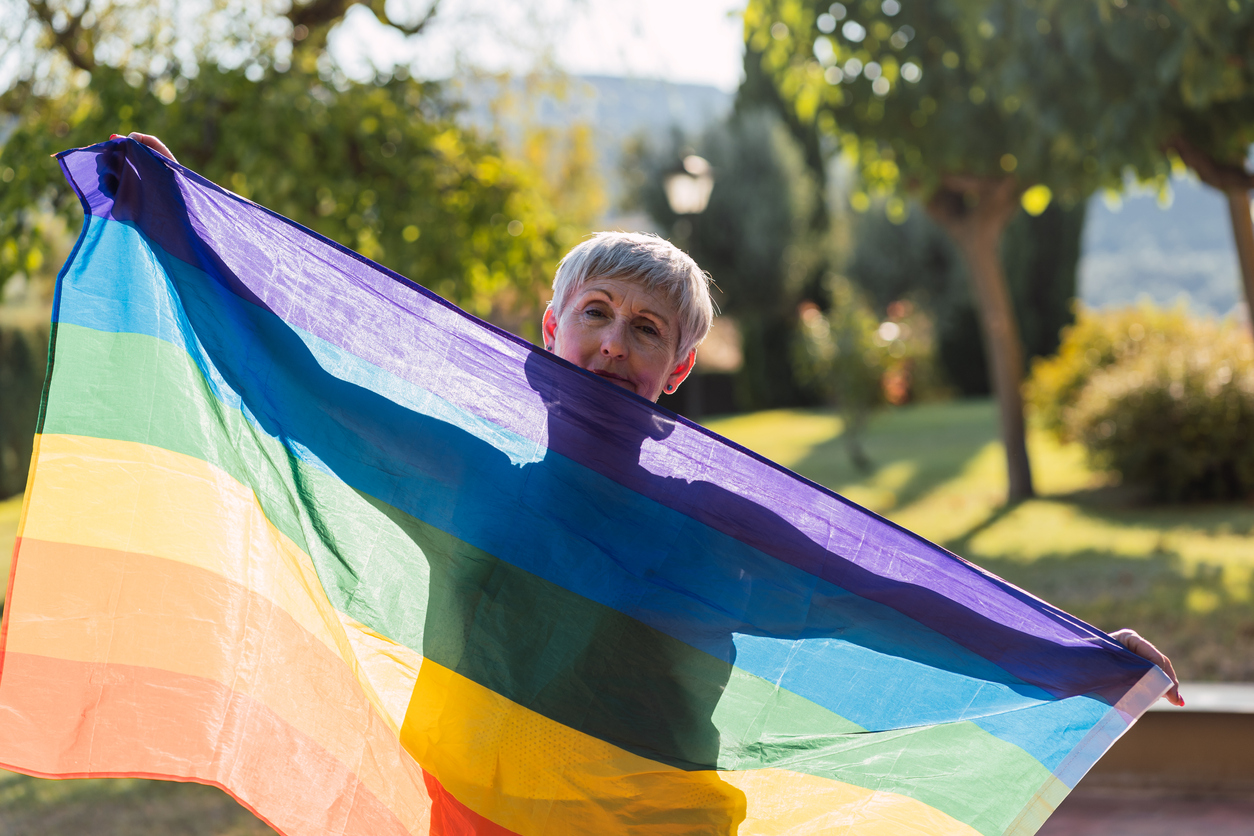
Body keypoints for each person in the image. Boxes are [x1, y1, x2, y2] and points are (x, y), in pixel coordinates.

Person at [122, 130, 1185, 707]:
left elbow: (889, 596)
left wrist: (1075, 654)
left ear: (676, 371)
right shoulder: (464, 475)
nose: (614, 344)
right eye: (596, 314)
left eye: (646, 329)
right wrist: (173, 229)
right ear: (549, 330)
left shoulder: (713, 524)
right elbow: (300, 389)